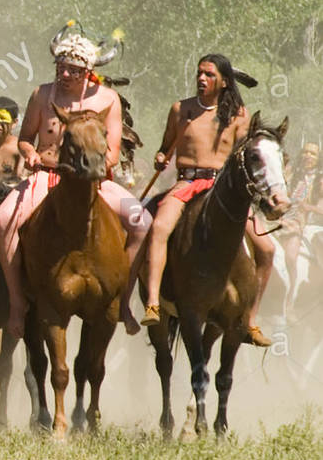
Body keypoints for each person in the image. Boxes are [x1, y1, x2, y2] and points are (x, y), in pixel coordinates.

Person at [0, 23, 151, 338]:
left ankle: (122, 299)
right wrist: (29, 153)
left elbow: (113, 152)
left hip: (93, 182)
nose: (64, 75)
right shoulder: (41, 94)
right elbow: (25, 138)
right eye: (61, 68)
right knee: (2, 218)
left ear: (88, 72)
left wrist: (97, 166)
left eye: (73, 70)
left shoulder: (107, 100)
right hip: (46, 177)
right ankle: (16, 302)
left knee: (143, 223)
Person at [124, 54, 273, 345]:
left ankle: (250, 320)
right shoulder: (181, 109)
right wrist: (159, 155)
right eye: (199, 73)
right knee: (158, 229)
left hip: (222, 189)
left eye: (209, 74)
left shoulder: (239, 115)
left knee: (267, 249)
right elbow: (167, 146)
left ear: (224, 82)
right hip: (186, 182)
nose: (201, 79)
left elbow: (243, 156)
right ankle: (153, 300)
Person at [279, 141, 323, 312]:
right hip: (284, 220)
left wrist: (307, 208)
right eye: (305, 152)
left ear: (318, 158)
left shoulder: (320, 179)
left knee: (291, 254)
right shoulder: (292, 174)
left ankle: (290, 299)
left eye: (313, 154)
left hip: (312, 225)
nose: (308, 156)